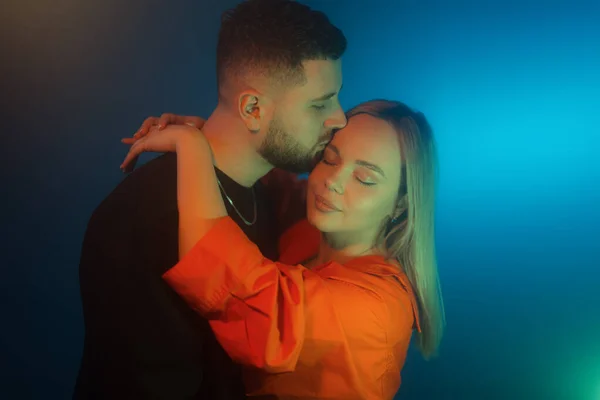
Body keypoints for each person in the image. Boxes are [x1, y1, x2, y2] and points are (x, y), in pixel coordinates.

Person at [73, 0, 347, 398]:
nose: (339, 117)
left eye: (337, 97)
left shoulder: (266, 190)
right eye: (320, 103)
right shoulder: (146, 221)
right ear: (252, 108)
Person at [121, 99, 446, 400]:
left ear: (402, 204)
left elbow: (236, 287)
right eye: (329, 157)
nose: (332, 180)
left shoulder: (373, 309)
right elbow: (275, 181)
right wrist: (213, 135)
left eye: (364, 178)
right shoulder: (316, 224)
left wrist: (191, 147)